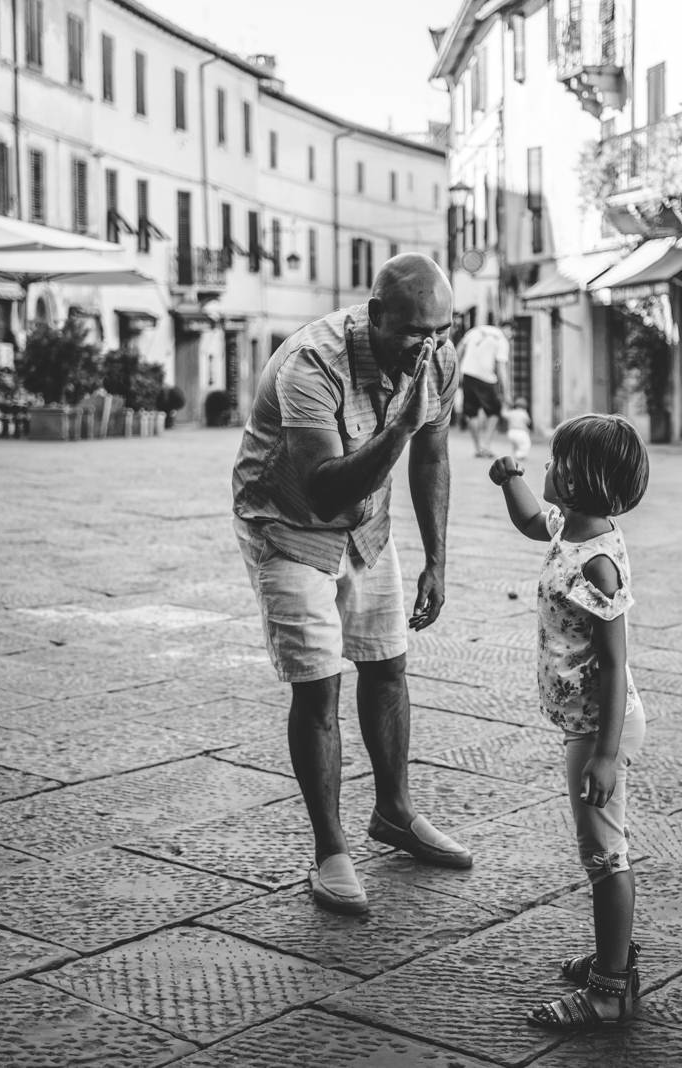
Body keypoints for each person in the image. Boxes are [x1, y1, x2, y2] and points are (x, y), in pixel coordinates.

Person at [231, 253, 472, 916]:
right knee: (319, 687)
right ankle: (330, 850)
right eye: (414, 333)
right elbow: (327, 487)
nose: (430, 348)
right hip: (288, 524)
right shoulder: (312, 364)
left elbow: (434, 455)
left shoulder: (439, 359)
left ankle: (393, 812)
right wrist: (400, 424)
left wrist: (438, 560)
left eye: (442, 332)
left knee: (387, 664)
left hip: (367, 528)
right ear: (375, 317)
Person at [487, 413, 651, 1031]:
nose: (547, 470)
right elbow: (534, 521)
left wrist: (605, 755)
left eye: (556, 463)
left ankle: (611, 988)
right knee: (599, 849)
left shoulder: (597, 564)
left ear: (581, 480)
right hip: (585, 722)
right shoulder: (571, 530)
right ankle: (614, 956)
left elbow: (614, 663)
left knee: (605, 854)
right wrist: (511, 481)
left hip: (600, 725)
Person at [457, 321, 510, 458]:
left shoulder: (475, 330)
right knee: (495, 411)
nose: (511, 337)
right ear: (508, 329)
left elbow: (460, 348)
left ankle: (478, 447)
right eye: (512, 334)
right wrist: (506, 391)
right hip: (486, 377)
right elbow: (501, 368)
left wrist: (457, 370)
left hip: (467, 373)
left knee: (471, 412)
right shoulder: (501, 339)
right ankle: (486, 446)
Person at [502, 396, 532, 462]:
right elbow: (528, 422)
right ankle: (519, 455)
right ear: (525, 406)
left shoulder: (512, 412)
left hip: (511, 432)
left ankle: (515, 454)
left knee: (515, 445)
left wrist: (505, 407)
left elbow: (503, 414)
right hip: (521, 432)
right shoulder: (524, 413)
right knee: (526, 444)